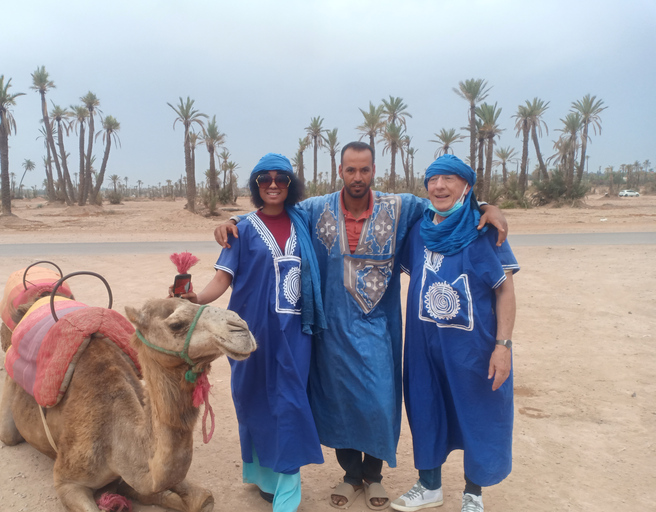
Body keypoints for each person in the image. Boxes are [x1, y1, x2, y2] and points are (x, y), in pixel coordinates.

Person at [215, 142, 509, 510]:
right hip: (331, 328)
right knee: (337, 401)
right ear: (340, 171)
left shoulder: (402, 207)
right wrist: (234, 221)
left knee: (380, 401)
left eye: (364, 170)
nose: (357, 177)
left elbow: (445, 204)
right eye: (350, 170)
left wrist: (485, 206)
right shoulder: (315, 208)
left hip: (380, 329)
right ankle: (352, 475)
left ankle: (375, 476)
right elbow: (274, 211)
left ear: (374, 171)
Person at [178, 153, 326, 512]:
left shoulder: (305, 221)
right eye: (264, 179)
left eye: (281, 179)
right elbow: (222, 279)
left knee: (290, 404)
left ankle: (288, 491)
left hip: (295, 335)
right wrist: (196, 298)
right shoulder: (242, 229)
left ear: (292, 185)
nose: (273, 185)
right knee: (254, 401)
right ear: (256, 186)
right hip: (249, 334)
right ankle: (266, 478)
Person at [391, 154, 518, 512]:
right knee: (425, 407)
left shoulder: (484, 230)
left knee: (477, 412)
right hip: (423, 345)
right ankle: (429, 485)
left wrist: (503, 346)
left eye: (449, 179)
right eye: (433, 179)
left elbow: (504, 290)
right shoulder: (418, 230)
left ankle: (473, 494)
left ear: (466, 186)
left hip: (472, 347)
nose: (439, 186)